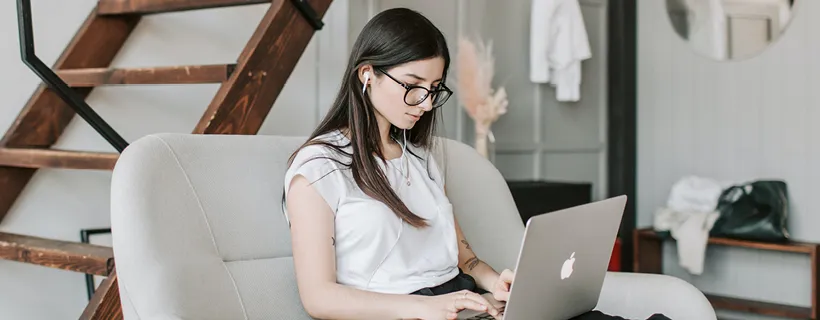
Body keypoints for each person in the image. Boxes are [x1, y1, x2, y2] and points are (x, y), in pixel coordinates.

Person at [282, 7, 670, 320]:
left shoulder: (422, 160)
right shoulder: (319, 168)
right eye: (414, 85)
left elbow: (463, 257)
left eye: (435, 90)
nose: (427, 103)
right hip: (404, 313)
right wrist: (424, 308)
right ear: (367, 74)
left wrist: (496, 283)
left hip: (463, 303)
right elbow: (319, 297)